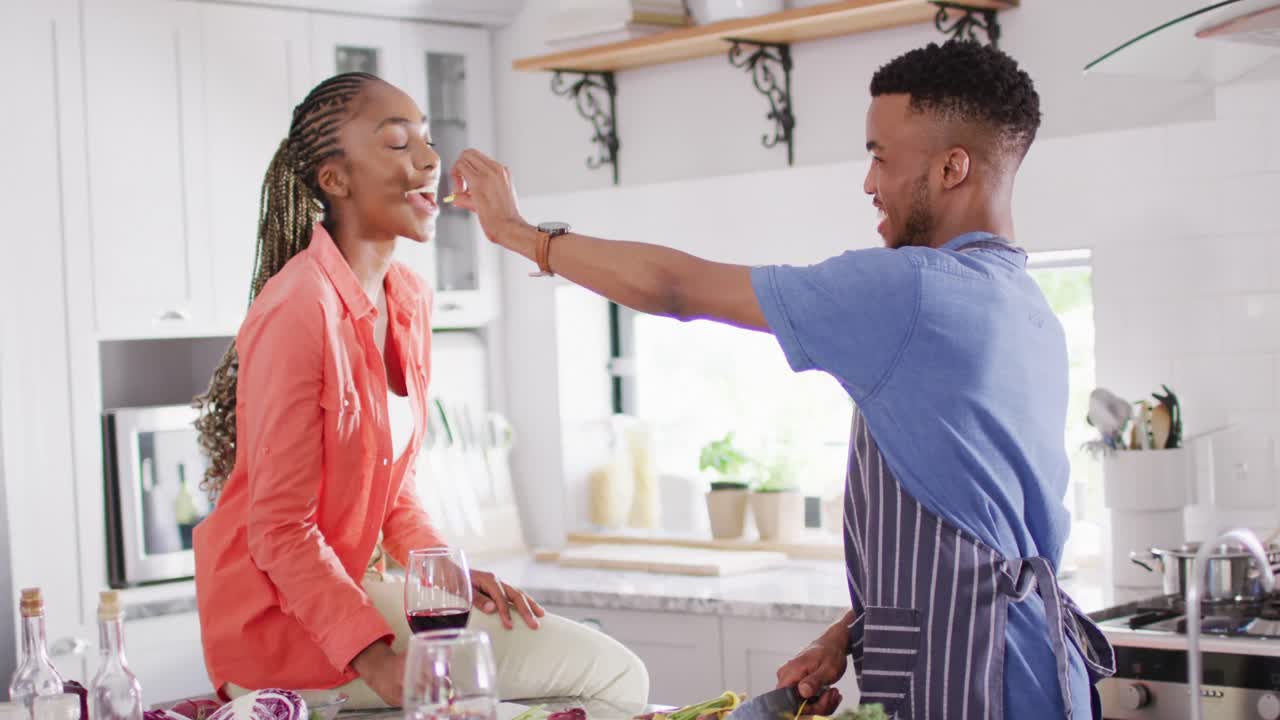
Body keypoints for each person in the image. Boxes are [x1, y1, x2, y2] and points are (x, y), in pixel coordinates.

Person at [449, 41, 1115, 719]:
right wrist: (848, 633)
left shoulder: (911, 289)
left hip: (976, 678)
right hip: (1030, 664)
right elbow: (979, 531)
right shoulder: (1023, 302)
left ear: (952, 167)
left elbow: (676, 288)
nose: (869, 183)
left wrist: (519, 233)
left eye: (881, 157)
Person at [192, 72, 647, 709]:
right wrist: (380, 663)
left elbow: (394, 490)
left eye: (428, 140)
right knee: (614, 677)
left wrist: (446, 574)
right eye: (398, 142)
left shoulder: (406, 298)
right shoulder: (298, 308)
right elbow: (280, 529)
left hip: (349, 595)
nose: (431, 160)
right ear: (335, 179)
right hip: (280, 625)